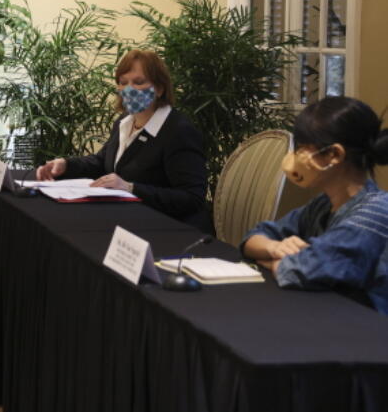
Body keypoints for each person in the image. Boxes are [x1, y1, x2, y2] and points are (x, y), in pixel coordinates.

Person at [241, 96, 388, 312]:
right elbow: (252, 238)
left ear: (334, 154)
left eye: (302, 147)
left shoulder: (374, 212)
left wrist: (269, 261)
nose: (294, 157)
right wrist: (275, 247)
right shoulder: (323, 204)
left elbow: (303, 270)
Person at [34, 49, 207, 226]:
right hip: (127, 221)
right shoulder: (124, 121)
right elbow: (102, 162)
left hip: (170, 231)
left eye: (138, 82)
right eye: (123, 83)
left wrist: (131, 188)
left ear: (160, 89)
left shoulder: (178, 131)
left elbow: (192, 198)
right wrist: (66, 165)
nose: (129, 90)